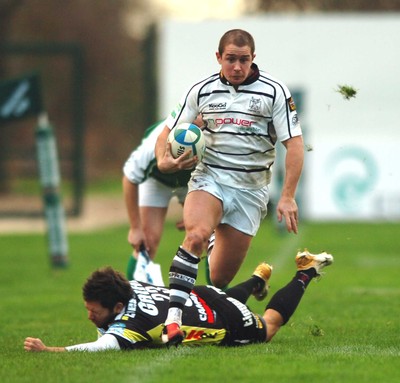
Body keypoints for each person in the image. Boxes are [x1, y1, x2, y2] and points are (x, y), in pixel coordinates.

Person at [154, 29, 304, 343]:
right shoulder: (201, 90)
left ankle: (241, 271)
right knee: (194, 235)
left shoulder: (274, 92)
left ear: (253, 59)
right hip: (211, 179)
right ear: (219, 57)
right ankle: (173, 320)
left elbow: (295, 145)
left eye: (244, 60)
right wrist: (164, 160)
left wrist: (287, 196)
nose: (237, 67)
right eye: (231, 59)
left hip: (250, 190)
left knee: (218, 279)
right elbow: (166, 131)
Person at [23, 250, 333, 351]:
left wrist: (50, 349)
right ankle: (256, 280)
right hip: (201, 294)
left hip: (222, 322)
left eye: (94, 311)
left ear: (117, 308)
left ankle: (305, 272)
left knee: (268, 326)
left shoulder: (132, 325)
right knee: (225, 297)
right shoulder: (127, 286)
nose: (89, 315)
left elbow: (101, 347)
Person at [123, 115, 204, 284]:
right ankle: (130, 300)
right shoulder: (156, 142)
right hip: (157, 181)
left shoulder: (214, 137)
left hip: (193, 181)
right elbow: (130, 177)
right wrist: (135, 228)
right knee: (147, 243)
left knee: (210, 240)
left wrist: (194, 212)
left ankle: (224, 303)